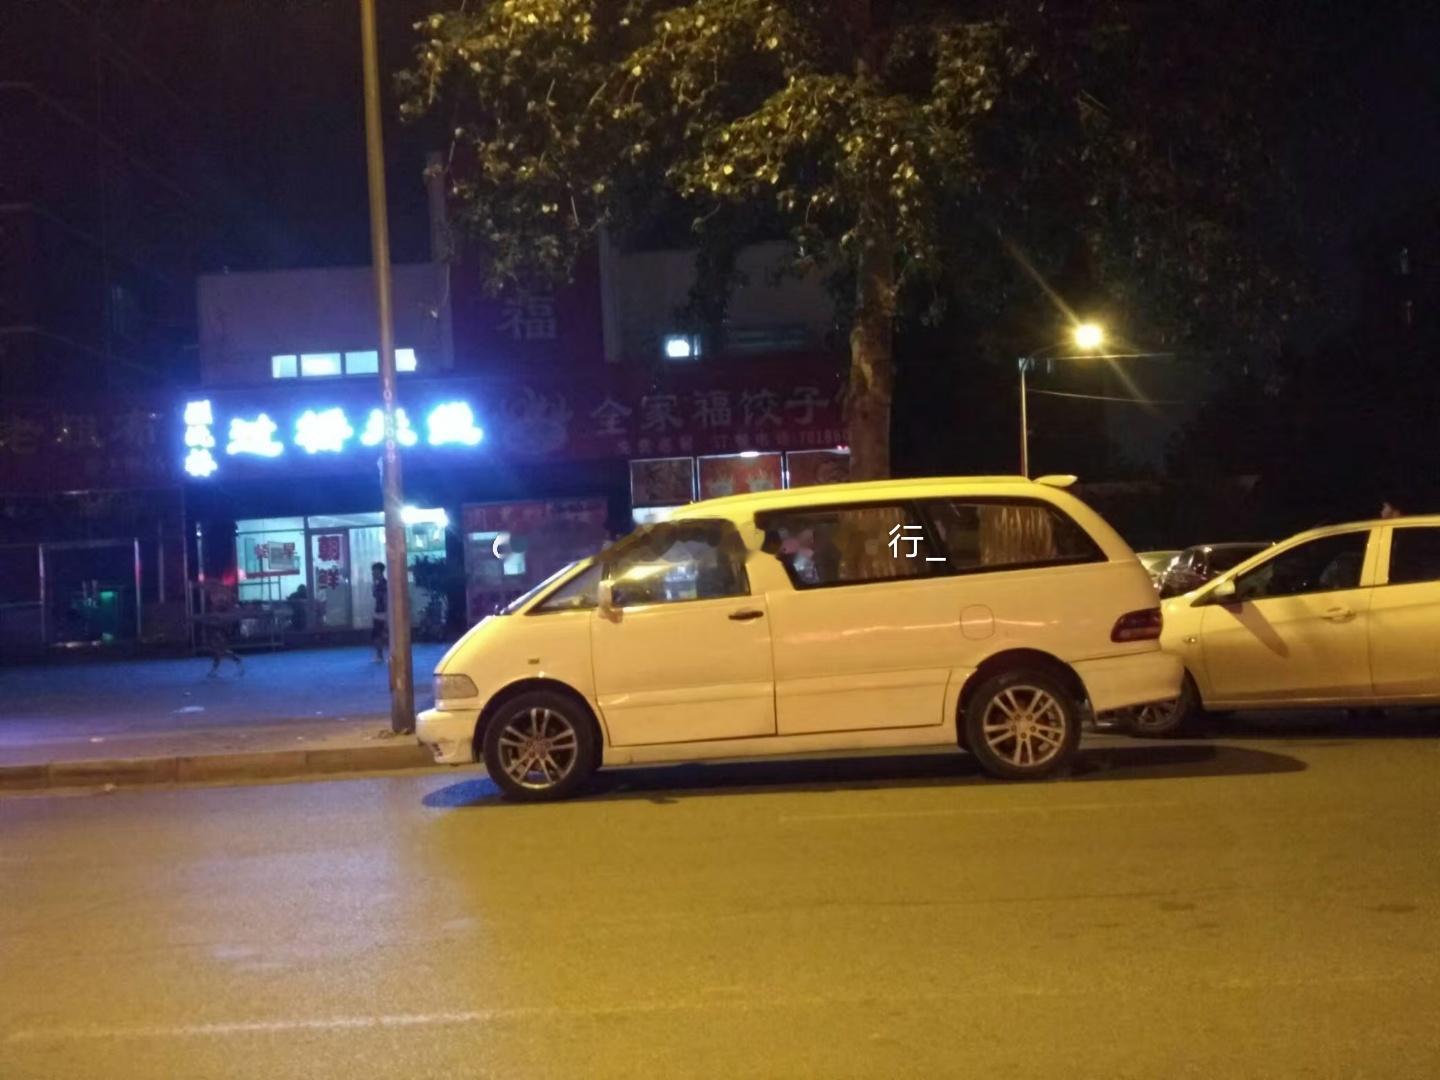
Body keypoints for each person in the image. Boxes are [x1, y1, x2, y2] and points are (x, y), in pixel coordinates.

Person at [202, 583, 243, 678]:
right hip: (218, 631)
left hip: (222, 631)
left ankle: (235, 661)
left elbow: (223, 621)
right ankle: (214, 670)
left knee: (220, 651)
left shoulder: (228, 609)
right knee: (218, 652)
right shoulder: (221, 608)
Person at [371, 561, 388, 662]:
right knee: (377, 634)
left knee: (379, 634)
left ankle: (380, 655)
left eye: (374, 571)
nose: (373, 573)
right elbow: (374, 595)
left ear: (379, 571)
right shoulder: (377, 583)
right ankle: (379, 654)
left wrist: (387, 612)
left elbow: (385, 598)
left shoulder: (384, 583)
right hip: (378, 610)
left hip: (383, 611)